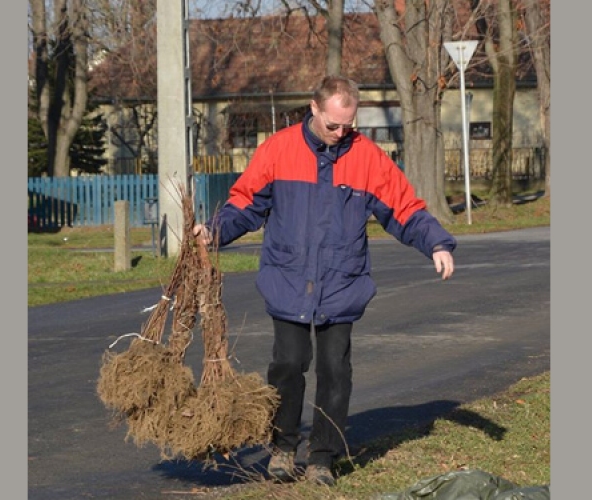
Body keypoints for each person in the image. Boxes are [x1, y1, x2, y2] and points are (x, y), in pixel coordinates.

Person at [193, 75, 456, 486]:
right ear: (314, 109)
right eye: (333, 124)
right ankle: (282, 448)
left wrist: (437, 243)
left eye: (348, 125)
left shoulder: (367, 157)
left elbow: (404, 207)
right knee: (288, 364)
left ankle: (321, 458)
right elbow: (244, 203)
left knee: (335, 369)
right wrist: (213, 231)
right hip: (288, 278)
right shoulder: (278, 150)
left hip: (341, 281)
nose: (340, 132)